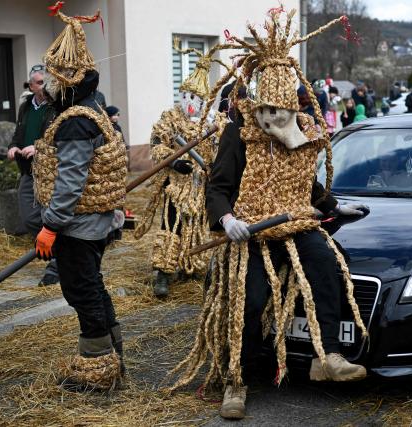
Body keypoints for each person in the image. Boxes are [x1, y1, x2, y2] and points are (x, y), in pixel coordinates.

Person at [167, 10, 369, 420]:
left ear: (292, 107)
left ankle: (326, 355)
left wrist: (333, 206)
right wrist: (226, 221)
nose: (271, 119)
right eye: (265, 111)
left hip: (294, 224)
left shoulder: (304, 133)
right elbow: (218, 187)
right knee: (250, 297)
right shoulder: (239, 132)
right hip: (252, 234)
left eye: (279, 111)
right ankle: (236, 379)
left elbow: (305, 185)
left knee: (327, 265)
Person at [33, 3, 127, 390]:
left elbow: (71, 183)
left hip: (79, 227)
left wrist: (51, 227)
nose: (50, 88)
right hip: (94, 225)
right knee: (94, 286)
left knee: (81, 291)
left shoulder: (75, 123)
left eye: (54, 81)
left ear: (66, 83)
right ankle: (114, 355)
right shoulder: (94, 110)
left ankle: (98, 371)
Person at [133, 42, 227, 298]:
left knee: (199, 225)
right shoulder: (170, 119)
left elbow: (222, 153)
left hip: (202, 185)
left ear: (204, 100)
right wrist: (173, 162)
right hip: (176, 185)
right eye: (184, 95)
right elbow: (156, 145)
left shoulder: (215, 122)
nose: (187, 102)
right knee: (171, 224)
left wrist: (214, 167)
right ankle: (163, 272)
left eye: (193, 98)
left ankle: (193, 265)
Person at [8, 64, 59, 286]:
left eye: (46, 82)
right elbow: (19, 132)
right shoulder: (26, 106)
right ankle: (56, 250)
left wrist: (39, 149)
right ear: (31, 86)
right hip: (28, 170)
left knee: (50, 215)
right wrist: (13, 146)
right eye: (39, 83)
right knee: (29, 216)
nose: (44, 86)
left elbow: (58, 137)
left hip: (48, 171)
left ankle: (57, 263)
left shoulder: (56, 106)